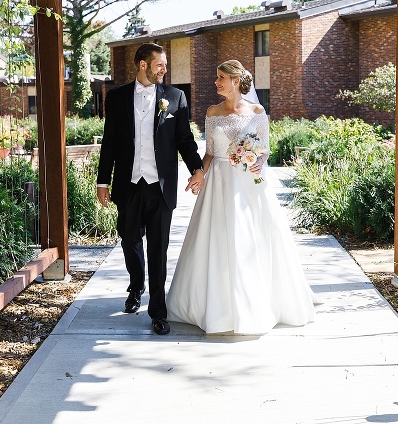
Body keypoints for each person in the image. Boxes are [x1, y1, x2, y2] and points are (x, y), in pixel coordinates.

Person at [166, 59, 317, 334]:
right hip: (219, 184)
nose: (216, 82)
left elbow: (265, 149)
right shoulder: (212, 112)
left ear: (235, 81)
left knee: (249, 239)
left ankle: (252, 306)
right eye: (216, 77)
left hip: (248, 184)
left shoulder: (257, 110)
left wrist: (259, 160)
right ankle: (214, 307)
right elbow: (210, 151)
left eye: (220, 77)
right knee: (216, 238)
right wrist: (200, 173)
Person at [97, 43, 204, 335]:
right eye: (160, 65)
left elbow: (185, 141)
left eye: (165, 65)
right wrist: (102, 181)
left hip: (160, 187)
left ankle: (158, 312)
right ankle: (136, 285)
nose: (164, 70)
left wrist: (197, 168)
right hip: (128, 185)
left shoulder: (175, 97)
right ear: (143, 64)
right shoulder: (117, 97)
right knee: (129, 240)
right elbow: (110, 142)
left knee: (158, 249)